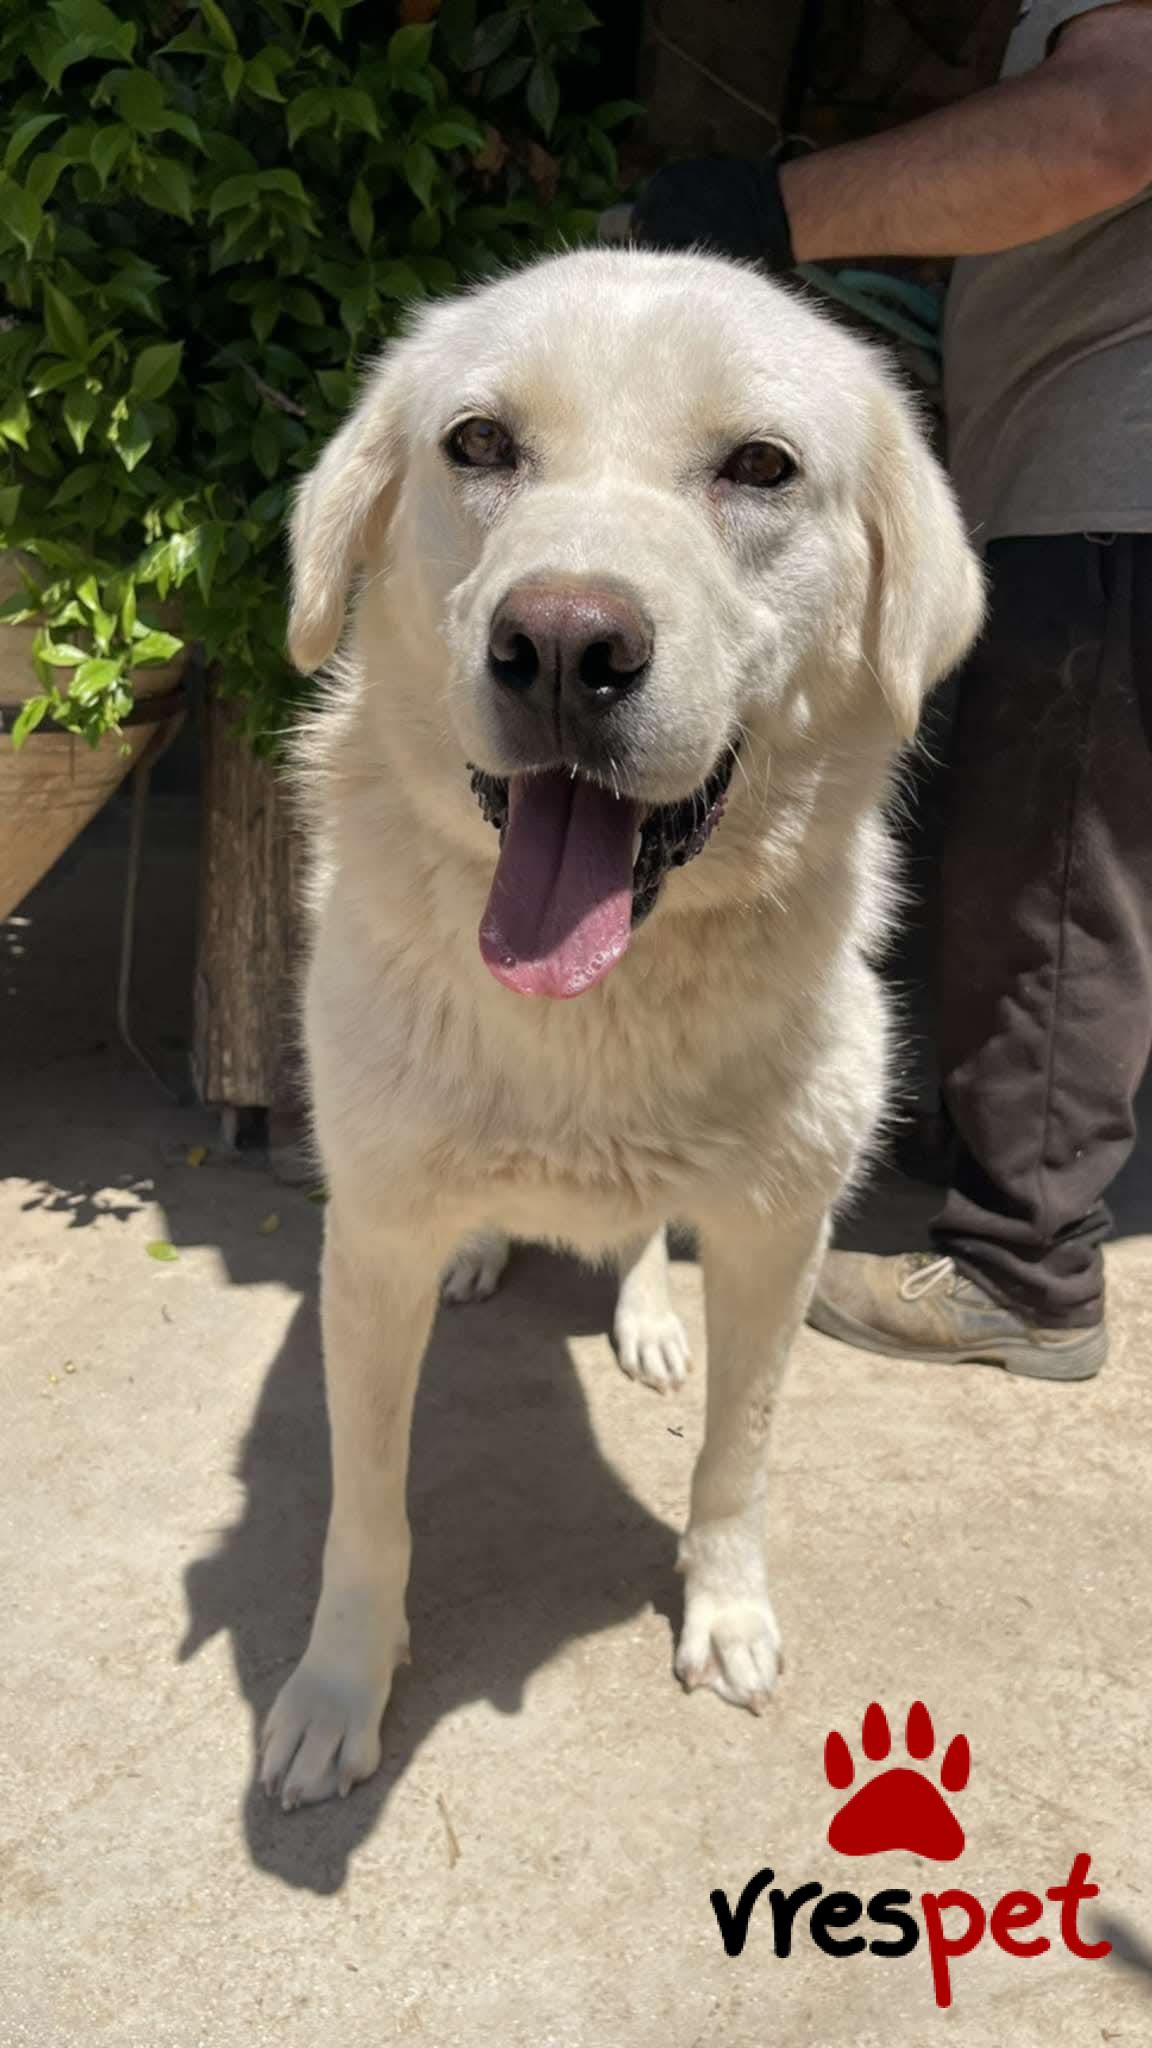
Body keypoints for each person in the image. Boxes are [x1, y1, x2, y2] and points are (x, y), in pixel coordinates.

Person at [631, 0, 1152, 1379]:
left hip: (1116, 495)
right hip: (1087, 489)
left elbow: (1110, 125)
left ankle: (1023, 1272)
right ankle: (992, 1139)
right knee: (1057, 869)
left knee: (1053, 885)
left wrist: (768, 210)